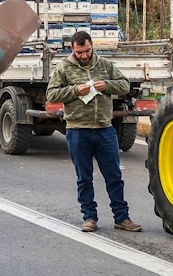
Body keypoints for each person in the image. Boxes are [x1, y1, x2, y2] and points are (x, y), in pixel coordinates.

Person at [46, 31, 141, 233]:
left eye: (87, 50)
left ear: (92, 47)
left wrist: (107, 85)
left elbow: (124, 85)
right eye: (79, 52)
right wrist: (75, 91)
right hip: (78, 130)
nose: (84, 55)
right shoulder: (64, 68)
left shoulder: (104, 65)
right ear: (72, 49)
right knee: (84, 177)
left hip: (105, 129)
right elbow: (51, 94)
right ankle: (89, 217)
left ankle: (122, 217)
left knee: (114, 175)